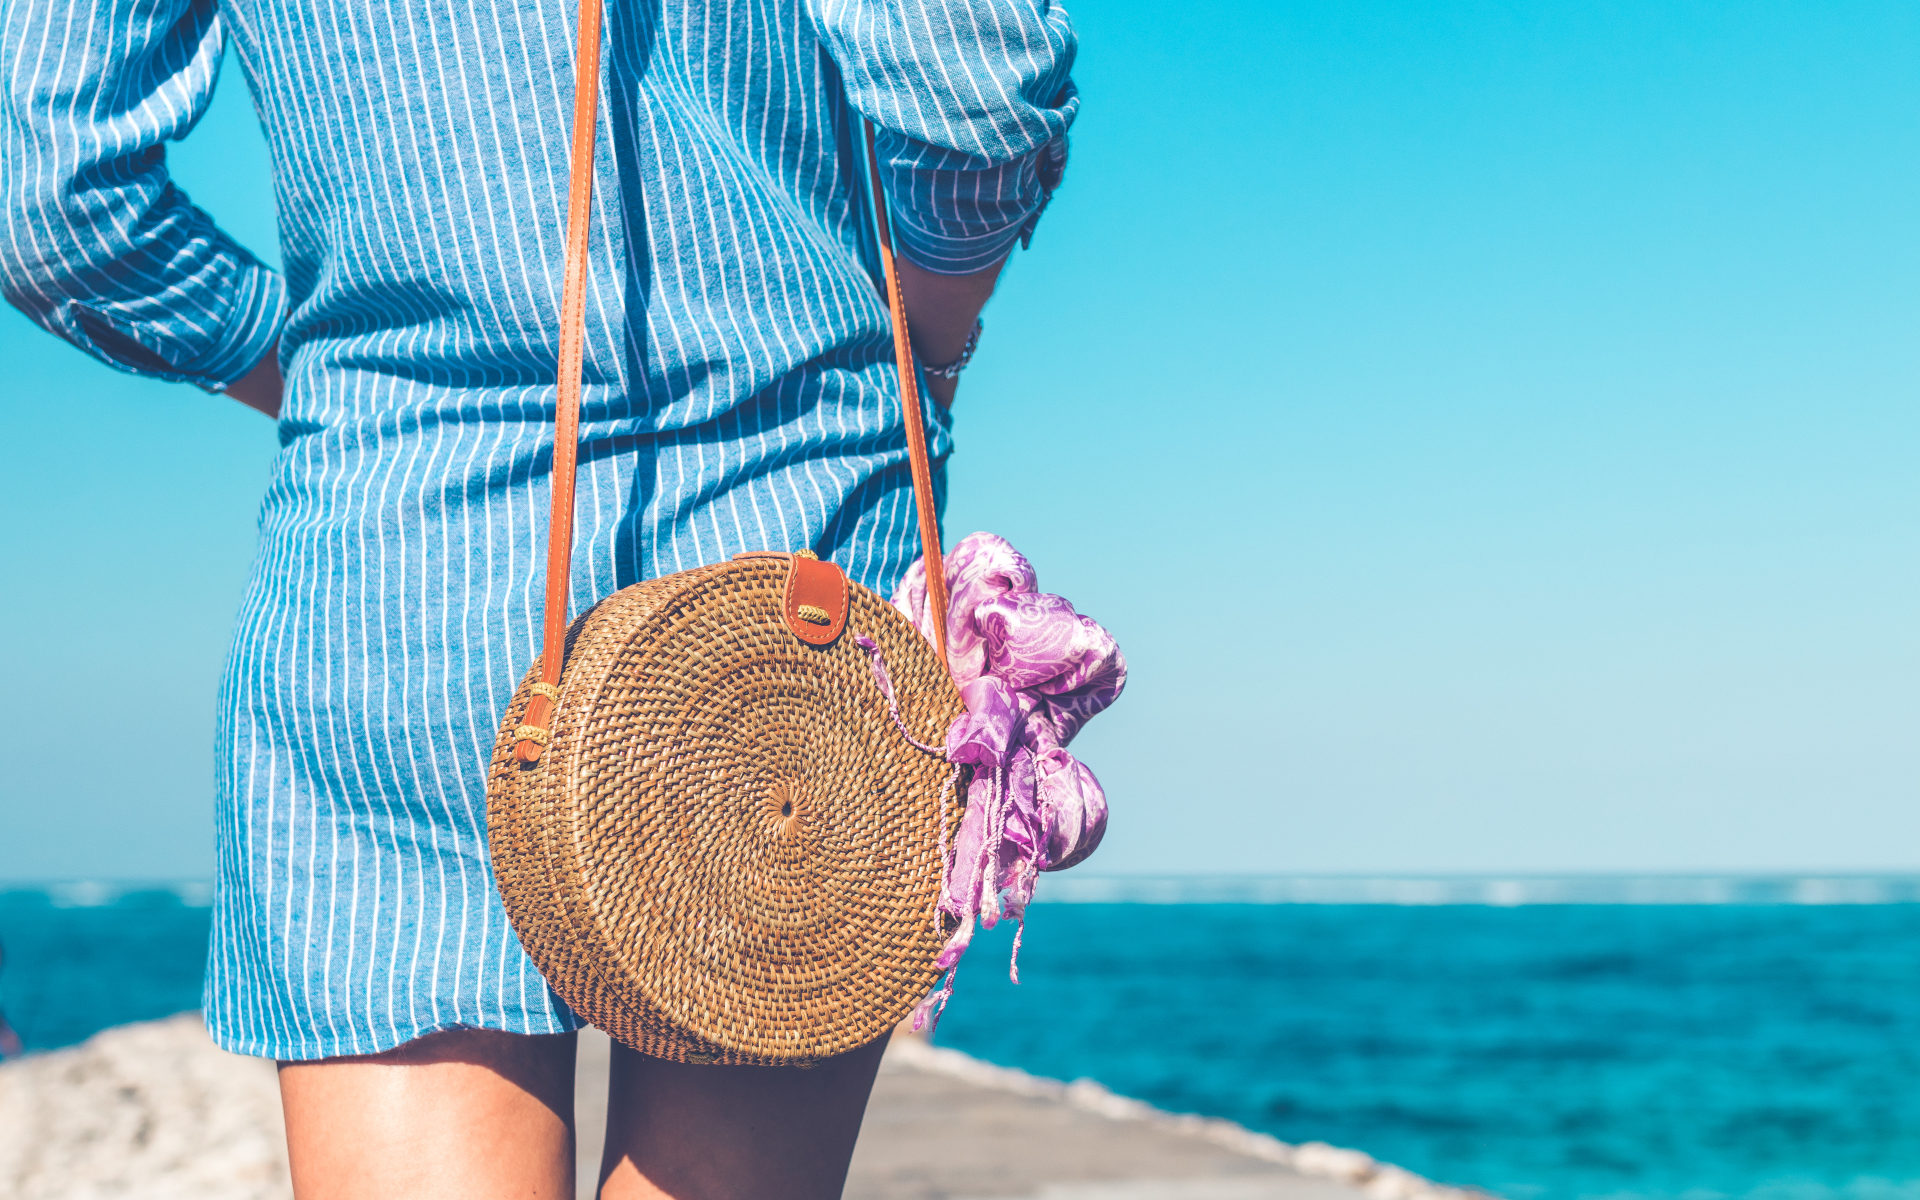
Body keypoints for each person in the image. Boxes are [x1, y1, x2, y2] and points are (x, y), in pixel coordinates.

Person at [0, 0, 1078, 1194]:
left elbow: (53, 206)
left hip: (396, 557)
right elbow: (976, 81)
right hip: (785, 535)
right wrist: (928, 341)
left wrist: (318, 373)